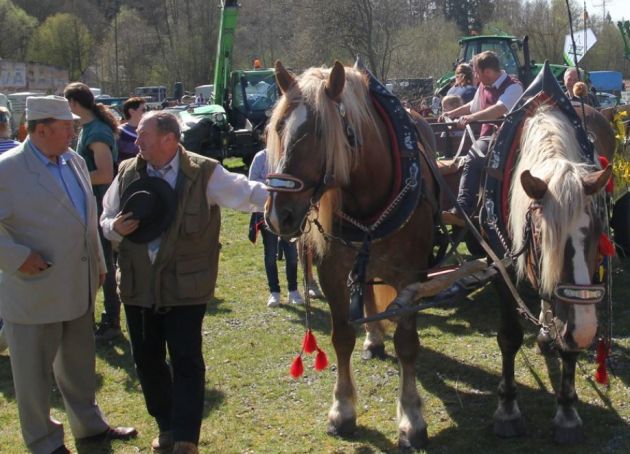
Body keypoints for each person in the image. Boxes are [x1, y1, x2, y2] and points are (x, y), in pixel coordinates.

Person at [100, 111, 268, 454]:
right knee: (146, 361)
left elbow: (247, 192)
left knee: (186, 359)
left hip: (185, 287)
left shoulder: (204, 172)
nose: (137, 141)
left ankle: (186, 437)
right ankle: (166, 425)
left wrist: (291, 195)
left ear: (169, 139)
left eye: (144, 135)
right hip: (138, 287)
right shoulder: (128, 172)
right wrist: (114, 228)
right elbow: (104, 217)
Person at [0, 95, 137, 454]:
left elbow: (85, 218)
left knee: (79, 365)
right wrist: (16, 257)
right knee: (32, 374)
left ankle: (89, 427)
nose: (73, 132)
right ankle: (43, 441)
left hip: (78, 286)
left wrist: (99, 263)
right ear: (40, 129)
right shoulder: (7, 168)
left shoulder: (73, 160)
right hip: (33, 290)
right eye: (66, 127)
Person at [64, 82, 121, 341]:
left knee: (104, 266)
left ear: (74, 104)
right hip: (91, 207)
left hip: (99, 208)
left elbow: (105, 174)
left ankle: (111, 321)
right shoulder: (89, 128)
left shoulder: (96, 131)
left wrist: (69, 177)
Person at [441, 51, 523, 226]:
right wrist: (452, 113)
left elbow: (499, 109)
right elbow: (474, 106)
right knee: (473, 154)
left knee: (473, 156)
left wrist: (472, 118)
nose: (475, 77)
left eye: (477, 72)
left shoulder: (514, 87)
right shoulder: (484, 86)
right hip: (489, 138)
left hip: (506, 140)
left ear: (488, 72)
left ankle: (463, 209)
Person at [248, 148, 304, 307]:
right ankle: (274, 292)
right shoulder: (260, 157)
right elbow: (252, 181)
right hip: (268, 211)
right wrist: (274, 186)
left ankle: (293, 290)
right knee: (270, 254)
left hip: (287, 213)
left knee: (292, 255)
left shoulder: (291, 156)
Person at [117, 97, 147, 164]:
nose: (146, 113)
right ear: (132, 112)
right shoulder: (120, 132)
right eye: (143, 110)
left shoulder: (149, 130)